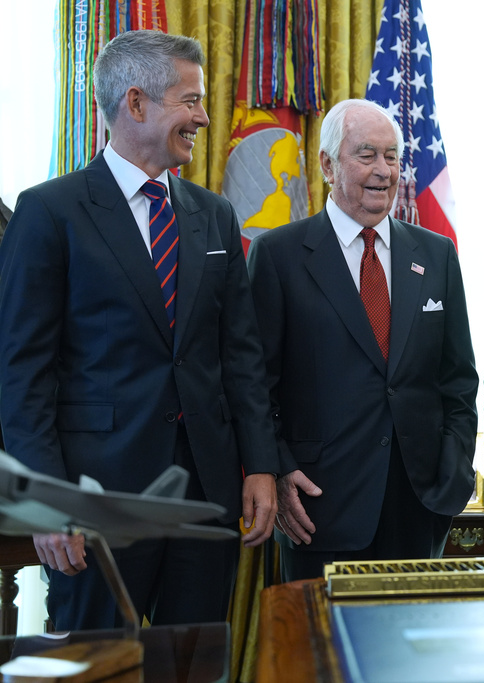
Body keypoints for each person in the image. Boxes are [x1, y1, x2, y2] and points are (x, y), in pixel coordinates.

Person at [0, 31, 279, 630]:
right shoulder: (50, 212)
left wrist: (260, 465)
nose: (204, 117)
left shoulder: (216, 216)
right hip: (96, 498)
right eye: (191, 101)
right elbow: (21, 374)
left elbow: (241, 357)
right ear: (135, 103)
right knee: (99, 666)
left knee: (195, 665)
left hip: (206, 494)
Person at [246, 99, 478, 582]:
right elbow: (255, 386)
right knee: (324, 655)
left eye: (392, 157)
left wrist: (454, 472)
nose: (383, 171)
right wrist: (279, 470)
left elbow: (457, 379)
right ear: (328, 165)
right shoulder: (280, 255)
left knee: (412, 653)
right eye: (366, 155)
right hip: (318, 508)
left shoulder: (436, 255)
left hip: (420, 508)